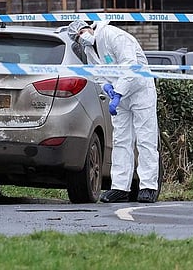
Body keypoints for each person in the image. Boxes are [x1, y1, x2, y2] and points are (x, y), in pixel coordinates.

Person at [67, 19, 159, 203]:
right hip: (119, 96)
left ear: (88, 27)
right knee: (121, 140)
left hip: (141, 90)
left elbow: (130, 66)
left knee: (145, 138)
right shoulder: (89, 50)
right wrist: (107, 88)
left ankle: (148, 186)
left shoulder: (112, 35)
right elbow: (98, 74)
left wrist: (118, 93)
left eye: (81, 33)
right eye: (77, 38)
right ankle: (120, 187)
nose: (81, 38)